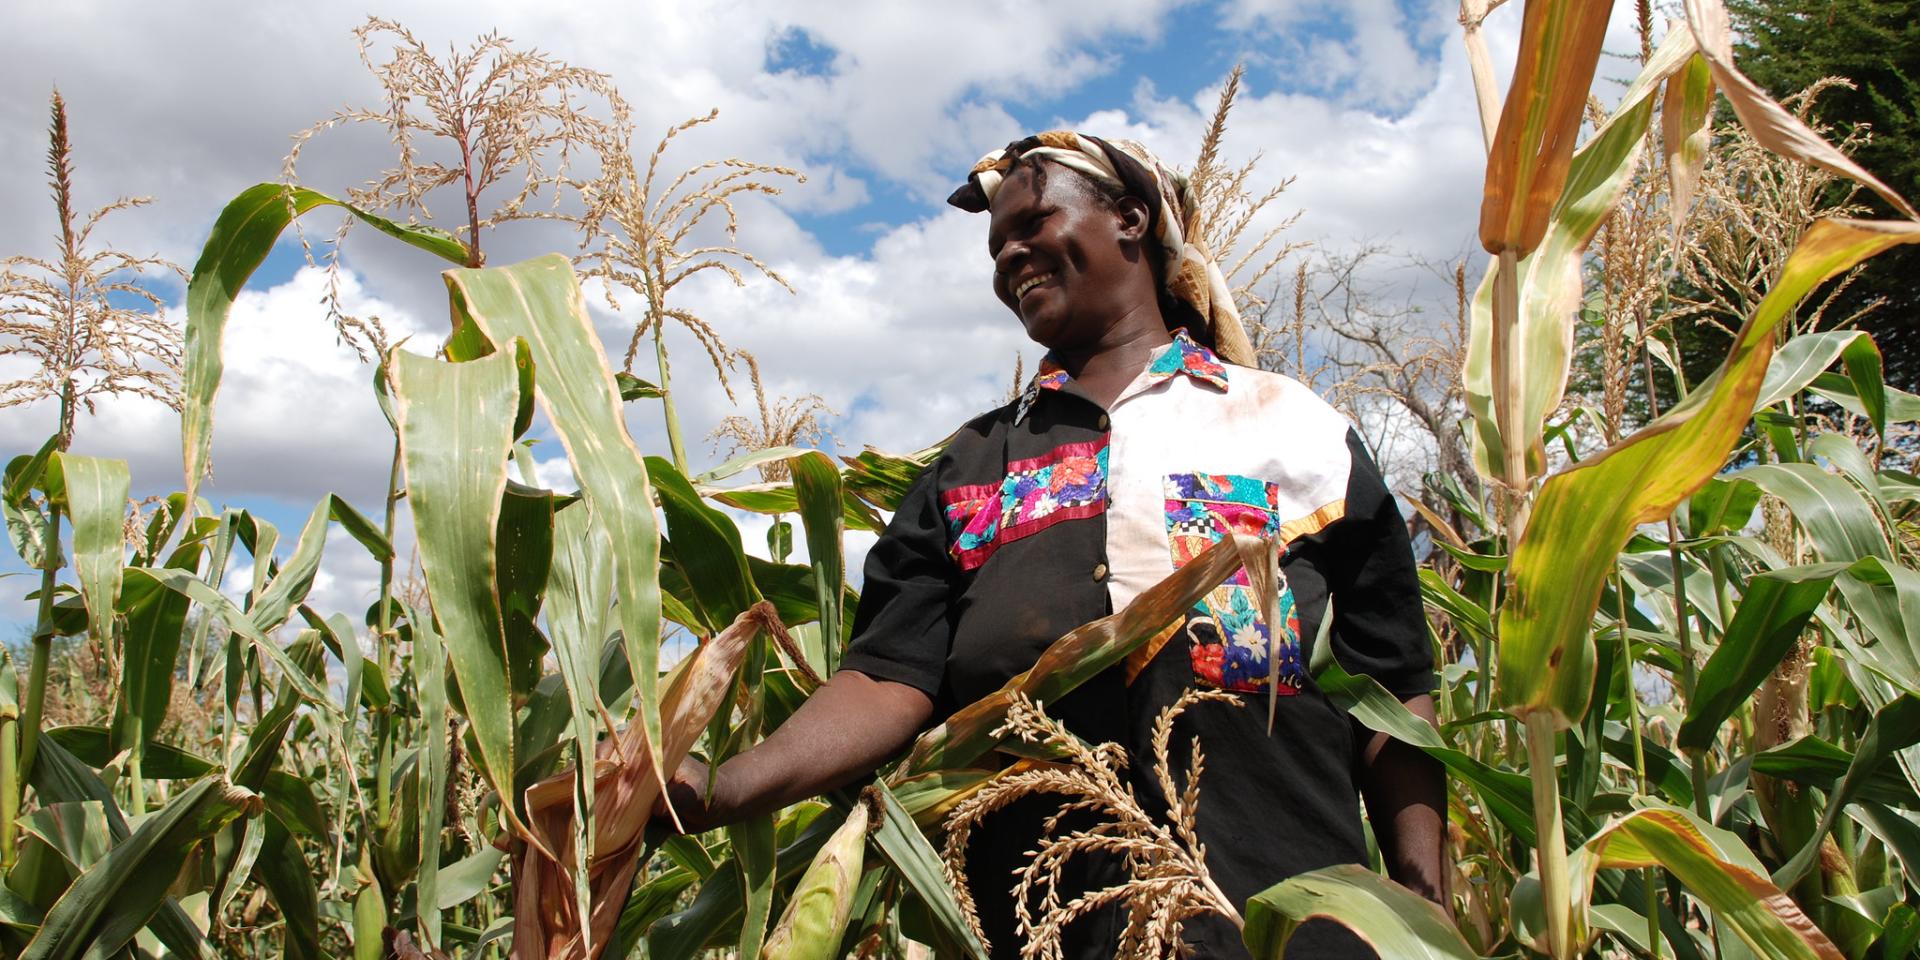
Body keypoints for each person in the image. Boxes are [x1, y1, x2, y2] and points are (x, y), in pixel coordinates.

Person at [661, 131, 1446, 958]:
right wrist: (722, 788)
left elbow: (1390, 685)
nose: (1010, 255)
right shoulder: (971, 469)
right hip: (1044, 929)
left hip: (1289, 928)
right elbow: (889, 675)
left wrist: (1422, 902)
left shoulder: (1294, 432)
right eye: (997, 245)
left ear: (1132, 221)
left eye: (1032, 222)